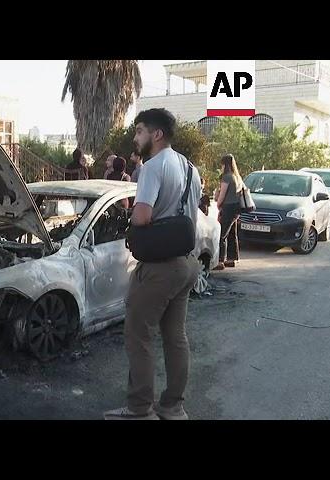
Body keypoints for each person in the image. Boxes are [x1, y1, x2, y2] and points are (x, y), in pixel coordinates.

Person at [103, 108, 201, 421]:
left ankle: (139, 409)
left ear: (156, 134)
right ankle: (173, 407)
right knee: (175, 336)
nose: (136, 138)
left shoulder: (153, 166)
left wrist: (129, 220)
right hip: (187, 262)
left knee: (137, 333)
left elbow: (142, 216)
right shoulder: (189, 168)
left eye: (140, 131)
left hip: (159, 267)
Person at [214, 154, 243, 270]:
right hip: (236, 208)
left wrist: (218, 203)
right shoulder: (237, 177)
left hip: (228, 208)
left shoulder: (226, 177)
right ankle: (232, 258)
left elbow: (222, 194)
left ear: (225, 164)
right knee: (232, 233)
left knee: (222, 234)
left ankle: (220, 260)